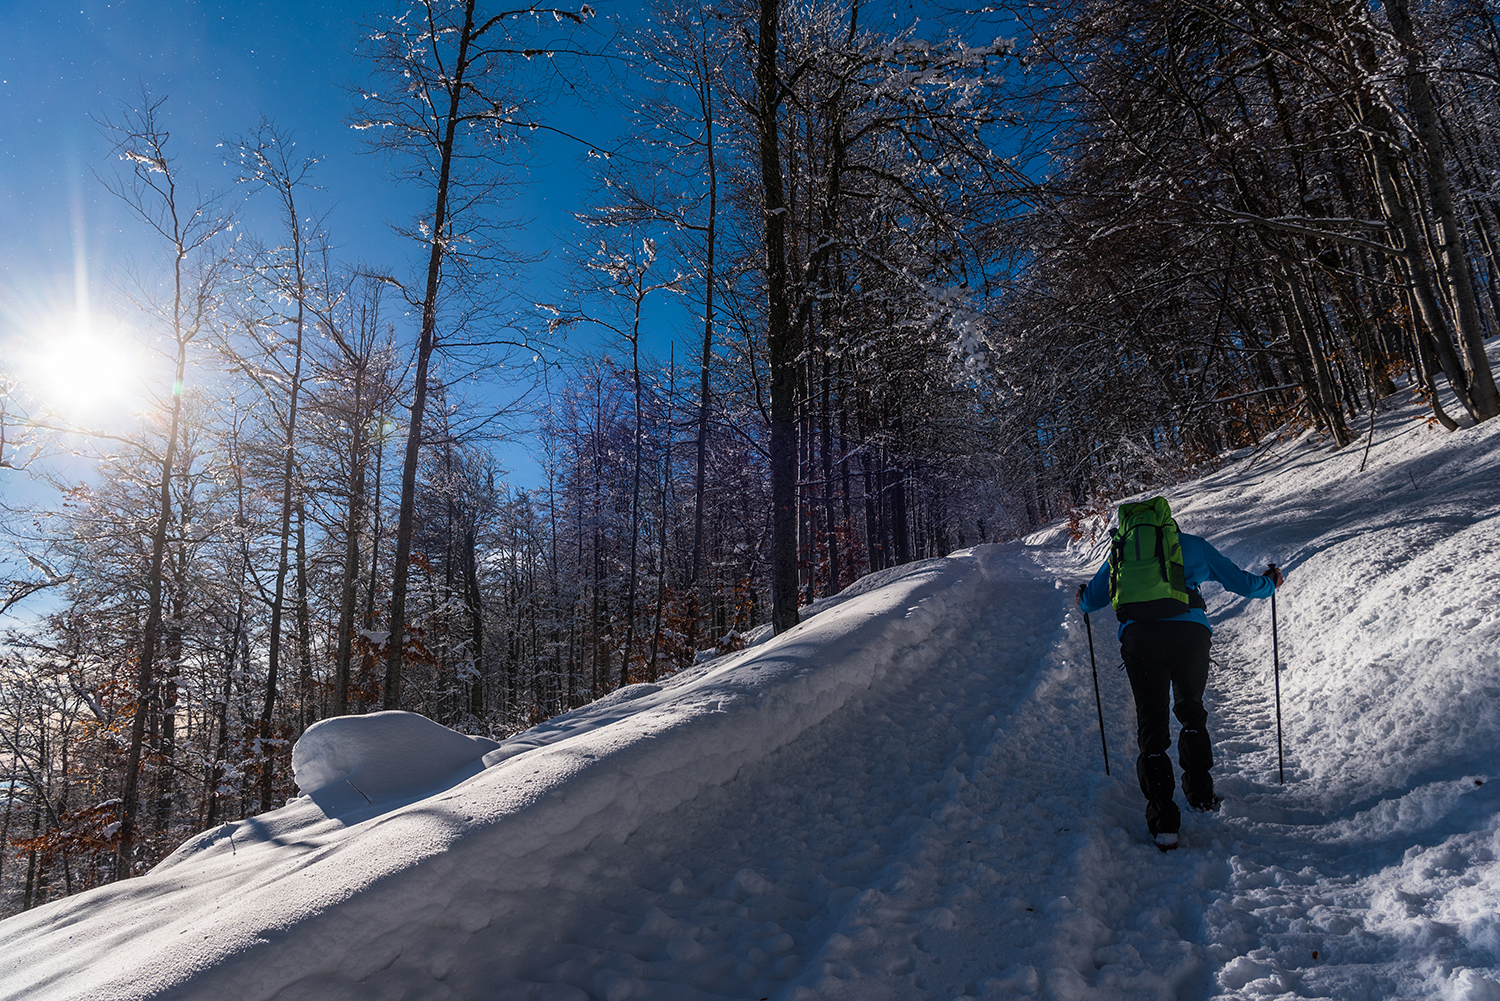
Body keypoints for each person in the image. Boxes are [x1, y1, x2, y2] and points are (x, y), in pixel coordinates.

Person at [1076, 509, 1283, 851]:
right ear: (1168, 524)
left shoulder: (1120, 553)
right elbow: (1244, 584)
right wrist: (1271, 582)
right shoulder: (1191, 546)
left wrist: (1082, 595)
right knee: (1191, 710)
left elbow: (1091, 601)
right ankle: (1200, 795)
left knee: (1151, 728)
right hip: (1190, 635)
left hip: (1140, 639)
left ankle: (1164, 825)